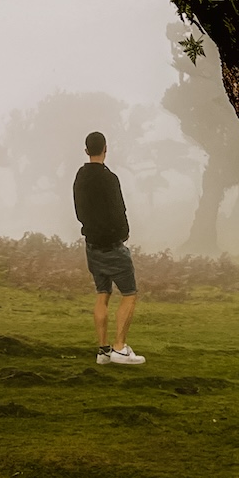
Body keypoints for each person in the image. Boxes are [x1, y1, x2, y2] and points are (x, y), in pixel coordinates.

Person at [72, 130, 145, 366]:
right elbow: (118, 209)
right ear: (106, 149)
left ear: (86, 150)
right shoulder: (109, 178)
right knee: (129, 294)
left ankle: (103, 351)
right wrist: (123, 232)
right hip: (112, 246)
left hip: (91, 245)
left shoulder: (80, 176)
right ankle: (120, 348)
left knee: (102, 294)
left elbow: (79, 210)